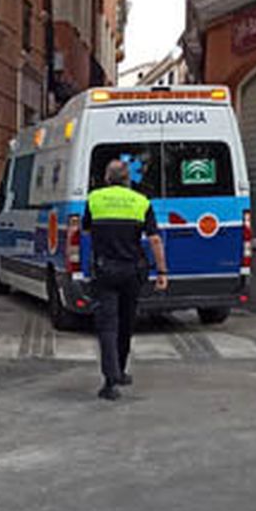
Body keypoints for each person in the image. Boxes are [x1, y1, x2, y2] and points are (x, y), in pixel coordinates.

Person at [84, 158, 168, 401]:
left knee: (107, 326)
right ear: (128, 180)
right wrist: (161, 272)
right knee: (126, 322)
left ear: (107, 179)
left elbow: (87, 230)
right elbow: (154, 239)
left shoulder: (95, 199)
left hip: (105, 271)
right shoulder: (141, 202)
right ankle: (120, 370)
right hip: (133, 271)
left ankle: (110, 382)